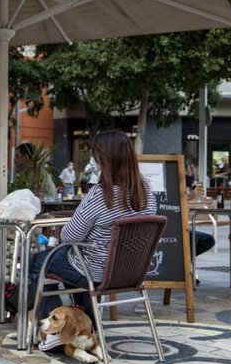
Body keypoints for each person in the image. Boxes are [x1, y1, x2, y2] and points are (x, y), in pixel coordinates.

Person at [30, 130, 156, 319]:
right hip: (131, 272)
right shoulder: (146, 192)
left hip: (96, 272)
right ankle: (86, 326)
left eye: (97, 157)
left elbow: (69, 237)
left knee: (40, 261)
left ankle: (52, 329)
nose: (95, 162)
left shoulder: (100, 194)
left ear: (106, 160)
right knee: (70, 260)